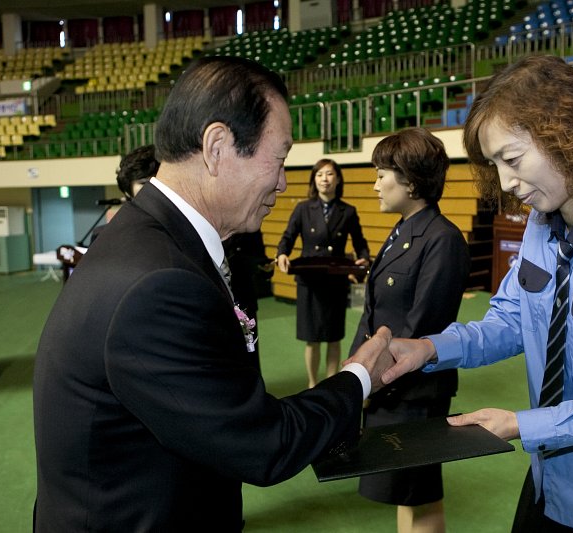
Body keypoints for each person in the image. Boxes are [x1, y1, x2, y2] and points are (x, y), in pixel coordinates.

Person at [32, 56, 394, 532]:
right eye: (280, 158)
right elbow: (262, 443)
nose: (284, 182)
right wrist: (358, 378)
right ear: (218, 146)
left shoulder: (152, 239)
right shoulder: (158, 281)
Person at [377, 56, 573, 533]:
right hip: (549, 481)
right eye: (494, 165)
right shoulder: (540, 224)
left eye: (512, 159)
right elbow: (513, 319)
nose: (506, 182)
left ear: (567, 137)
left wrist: (520, 424)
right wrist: (429, 347)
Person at [349, 127, 470, 533]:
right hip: (387, 384)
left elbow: (422, 328)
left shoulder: (442, 239)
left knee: (417, 492)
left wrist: (371, 384)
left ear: (412, 181)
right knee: (411, 493)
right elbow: (373, 315)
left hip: (411, 389)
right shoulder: (404, 230)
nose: (375, 184)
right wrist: (354, 373)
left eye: (383, 174)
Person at [276, 159, 370, 388]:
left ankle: (329, 384)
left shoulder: (348, 211)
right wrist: (282, 254)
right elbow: (288, 237)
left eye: (329, 174)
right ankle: (311, 383)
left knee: (334, 337)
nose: (324, 179)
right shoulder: (302, 209)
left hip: (335, 282)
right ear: (314, 180)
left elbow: (360, 242)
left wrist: (364, 257)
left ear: (338, 179)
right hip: (309, 282)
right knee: (313, 338)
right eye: (319, 175)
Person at [223, 230, 274, 373]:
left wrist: (265, 268)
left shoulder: (251, 226)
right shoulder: (214, 223)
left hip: (244, 299)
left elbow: (260, 259)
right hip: (220, 298)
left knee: (250, 351)